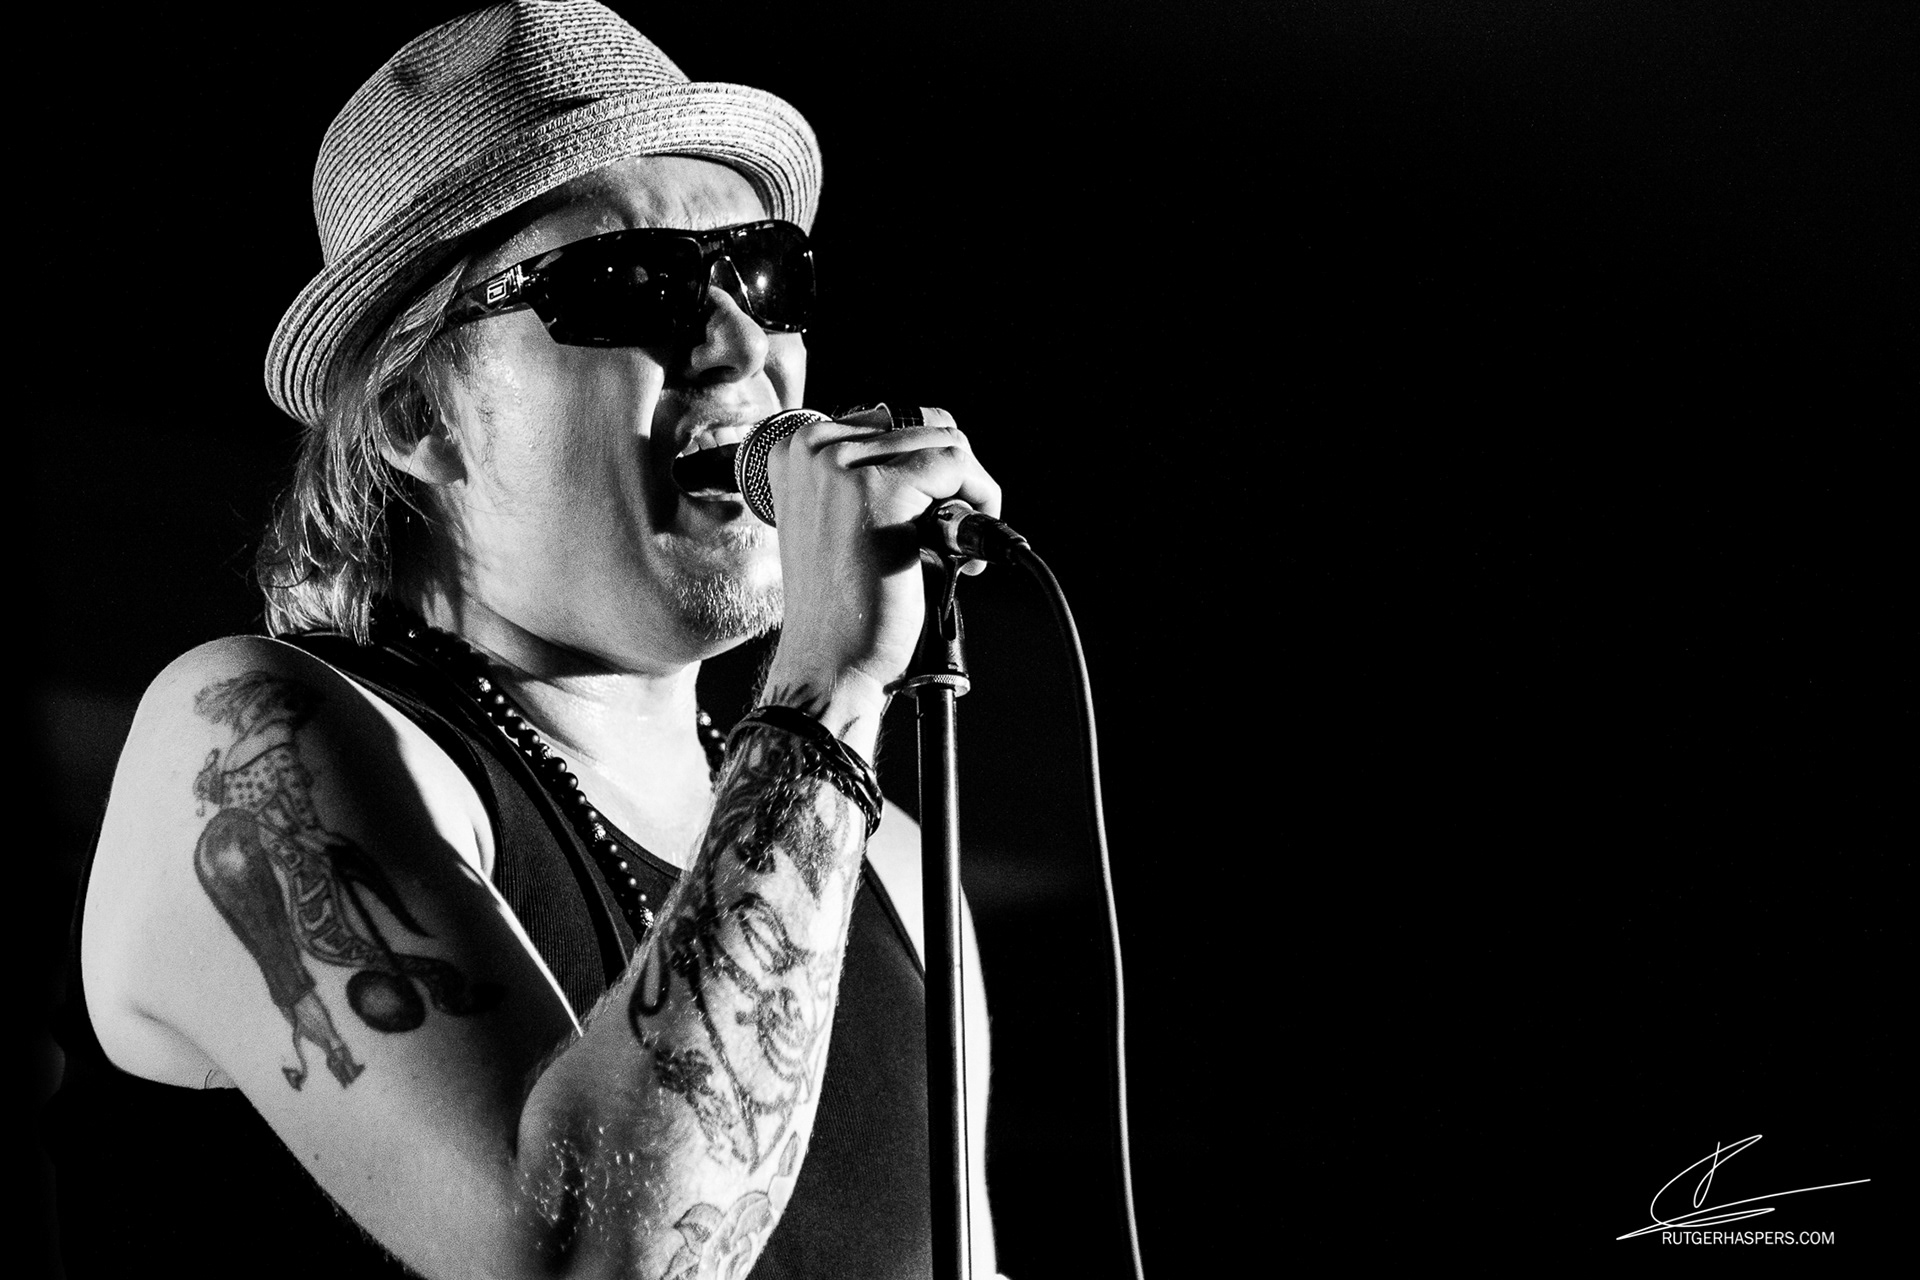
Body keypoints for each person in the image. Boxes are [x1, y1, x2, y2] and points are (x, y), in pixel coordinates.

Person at [46, 3, 1003, 1276]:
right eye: (629, 286)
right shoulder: (247, 738)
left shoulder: (888, 863)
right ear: (414, 412)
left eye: (765, 273)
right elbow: (594, 1257)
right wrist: (826, 692)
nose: (739, 344)